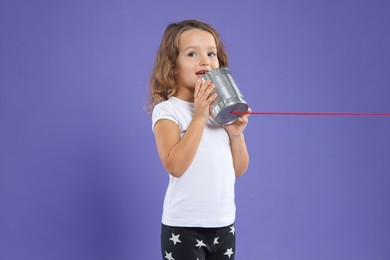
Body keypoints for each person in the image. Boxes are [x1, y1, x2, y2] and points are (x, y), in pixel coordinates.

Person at [147, 19, 250, 260]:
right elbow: (175, 165)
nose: (205, 60)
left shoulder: (220, 112)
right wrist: (200, 116)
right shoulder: (167, 111)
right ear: (172, 65)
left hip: (224, 225)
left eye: (211, 53)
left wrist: (236, 135)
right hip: (184, 228)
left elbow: (240, 169)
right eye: (192, 53)